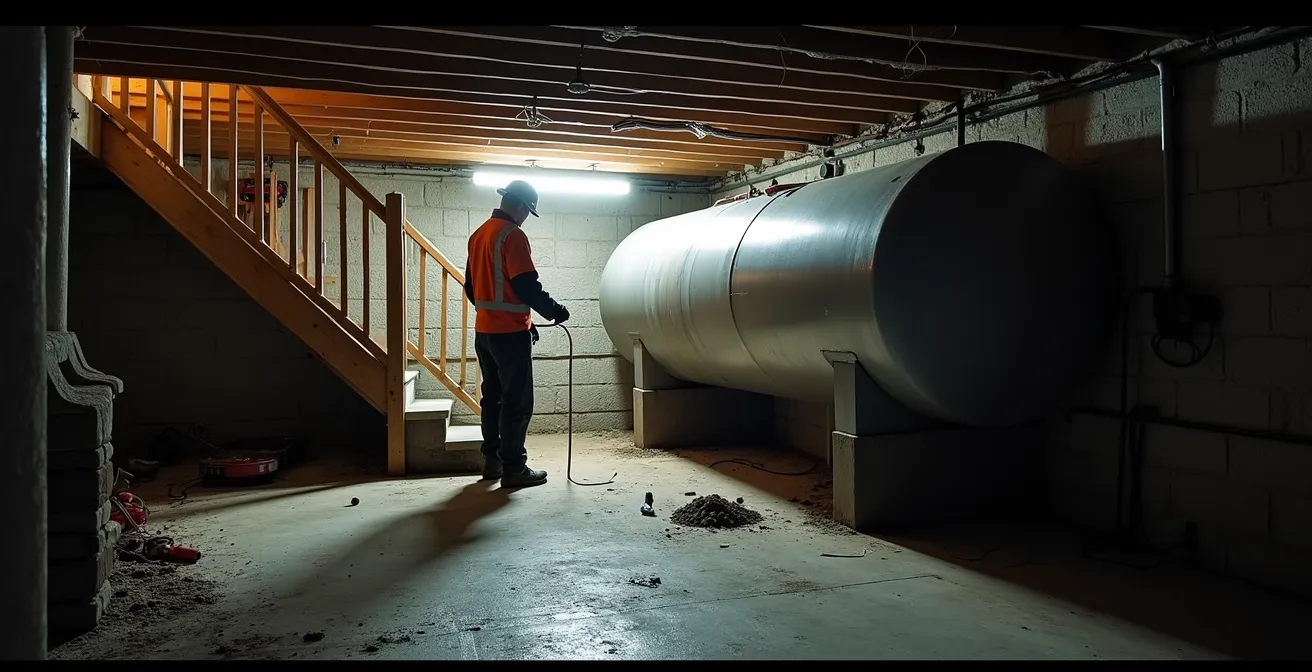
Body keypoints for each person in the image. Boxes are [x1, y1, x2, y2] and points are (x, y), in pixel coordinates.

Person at [464, 180, 569, 488]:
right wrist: (554, 310)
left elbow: (471, 287)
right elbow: (525, 285)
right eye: (528, 212)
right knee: (517, 402)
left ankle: (492, 462)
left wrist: (516, 316)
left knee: (492, 398)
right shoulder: (513, 235)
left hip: (485, 333)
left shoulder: (479, 234)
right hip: (509, 336)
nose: (525, 218)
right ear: (522, 207)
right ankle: (514, 468)